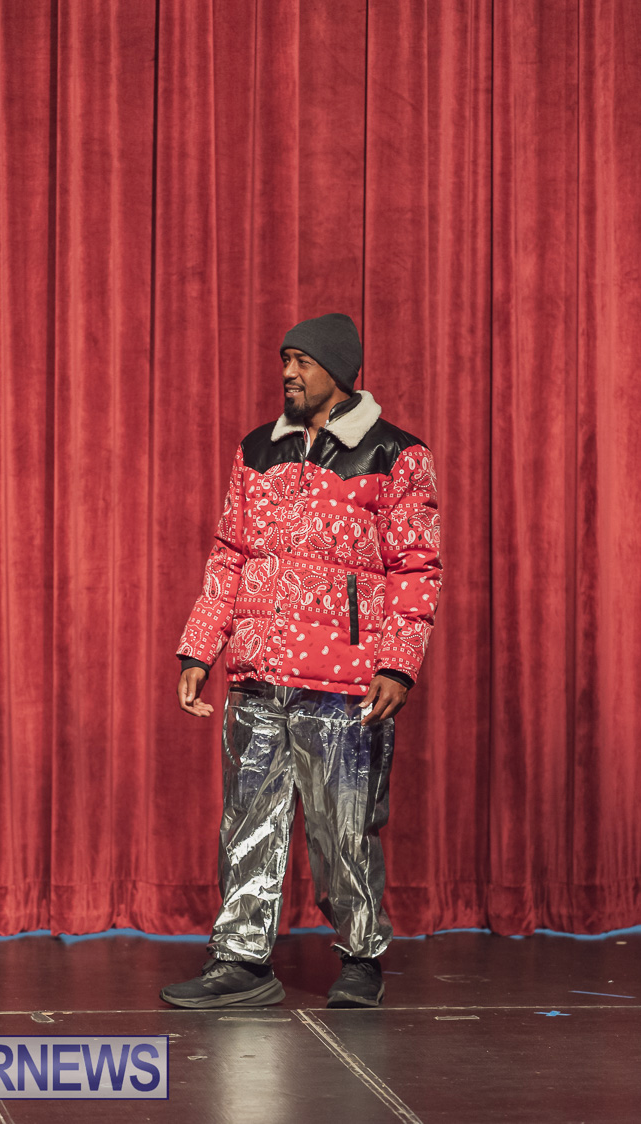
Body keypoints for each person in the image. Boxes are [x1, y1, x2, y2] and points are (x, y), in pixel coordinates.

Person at [160, 312, 442, 1010]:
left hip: (345, 681)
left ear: (337, 371)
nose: (287, 372)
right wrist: (200, 647)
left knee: (344, 830)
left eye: (302, 361)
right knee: (247, 822)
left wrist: (397, 665)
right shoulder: (258, 449)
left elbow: (416, 567)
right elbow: (229, 554)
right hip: (257, 673)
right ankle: (241, 961)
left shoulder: (395, 454)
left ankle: (361, 957)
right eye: (284, 359)